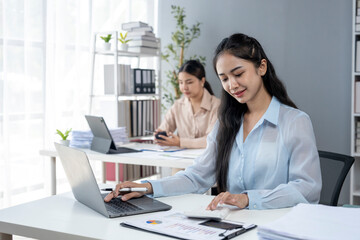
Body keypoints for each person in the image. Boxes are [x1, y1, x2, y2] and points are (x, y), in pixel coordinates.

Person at [105, 33, 322, 210]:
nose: (232, 84)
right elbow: (197, 176)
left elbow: (307, 188)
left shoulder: (295, 121)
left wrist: (248, 199)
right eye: (225, 78)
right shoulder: (226, 123)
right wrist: (147, 187)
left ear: (261, 67)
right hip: (233, 223)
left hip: (276, 226)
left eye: (238, 74)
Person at [154, 60, 220, 149]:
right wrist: (160, 136)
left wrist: (180, 142)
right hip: (181, 159)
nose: (184, 87)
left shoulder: (217, 106)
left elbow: (211, 140)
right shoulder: (178, 105)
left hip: (208, 160)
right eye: (181, 82)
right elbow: (164, 128)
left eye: (189, 82)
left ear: (202, 81)